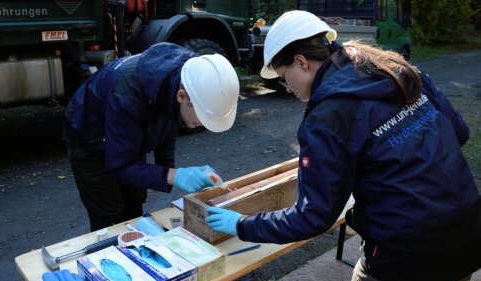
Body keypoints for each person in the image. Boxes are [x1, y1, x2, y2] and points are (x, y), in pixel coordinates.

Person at [205, 10, 481, 281]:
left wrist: (242, 225)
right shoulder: (393, 67)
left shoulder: (327, 117)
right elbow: (457, 132)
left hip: (405, 255)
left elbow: (312, 217)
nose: (286, 86)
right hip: (467, 234)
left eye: (282, 76)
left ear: (301, 62)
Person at [64, 42, 239, 231]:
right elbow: (119, 166)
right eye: (202, 115)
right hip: (91, 141)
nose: (203, 124)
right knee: (110, 217)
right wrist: (173, 175)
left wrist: (168, 168)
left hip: (128, 133)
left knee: (134, 203)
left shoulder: (186, 76)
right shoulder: (127, 95)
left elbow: (169, 122)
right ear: (182, 97)